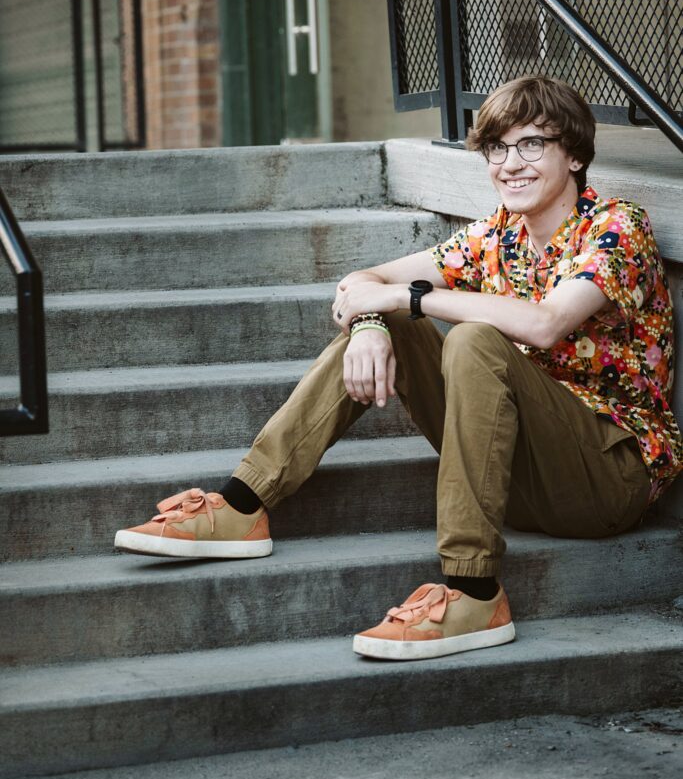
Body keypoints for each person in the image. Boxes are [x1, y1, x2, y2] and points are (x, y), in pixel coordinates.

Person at [115, 75, 681, 662]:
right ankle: (242, 504)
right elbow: (360, 283)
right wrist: (370, 325)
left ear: (576, 154)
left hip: (608, 479)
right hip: (517, 472)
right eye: (497, 148)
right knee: (403, 325)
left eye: (533, 144)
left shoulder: (617, 228)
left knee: (471, 341)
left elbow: (544, 324)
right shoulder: (496, 237)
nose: (511, 164)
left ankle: (473, 589)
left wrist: (406, 300)